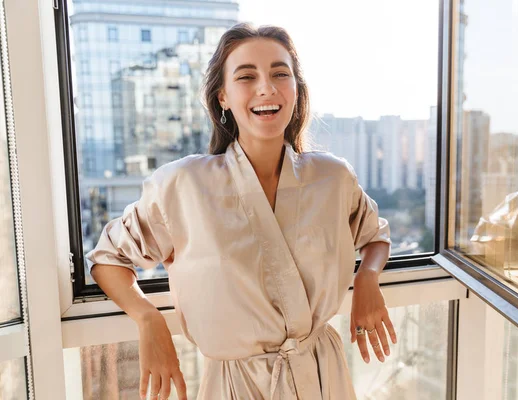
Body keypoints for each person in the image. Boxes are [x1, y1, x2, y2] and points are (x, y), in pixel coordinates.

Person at [86, 23, 395, 400]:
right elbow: (108, 258)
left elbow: (374, 234)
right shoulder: (184, 184)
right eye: (247, 76)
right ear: (223, 98)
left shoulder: (332, 177)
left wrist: (368, 279)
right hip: (236, 385)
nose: (266, 87)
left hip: (322, 373)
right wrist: (149, 318)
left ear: (296, 90)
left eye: (281, 74)